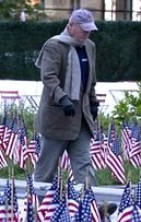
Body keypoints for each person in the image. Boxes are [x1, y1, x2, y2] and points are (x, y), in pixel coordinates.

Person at [33, 8, 100, 188]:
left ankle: (92, 206)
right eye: (83, 28)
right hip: (57, 118)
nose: (87, 32)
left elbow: (90, 78)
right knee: (47, 167)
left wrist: (93, 101)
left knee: (84, 164)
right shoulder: (54, 46)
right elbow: (48, 77)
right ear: (71, 25)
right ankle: (37, 206)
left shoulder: (89, 46)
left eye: (89, 29)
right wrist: (62, 98)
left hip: (81, 118)